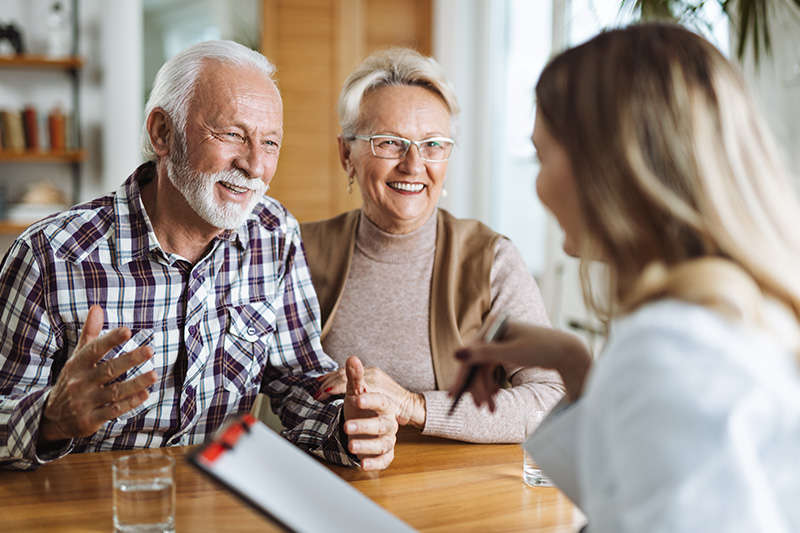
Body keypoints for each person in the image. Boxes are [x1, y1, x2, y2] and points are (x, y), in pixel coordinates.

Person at [453, 23, 800, 531]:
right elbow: (632, 495)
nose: (539, 186)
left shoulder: (673, 349)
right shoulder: (733, 317)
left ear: (609, 165)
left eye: (542, 156)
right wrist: (575, 368)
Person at [0, 40, 398, 471]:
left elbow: (299, 382)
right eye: (231, 134)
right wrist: (49, 420)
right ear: (162, 133)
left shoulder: (273, 233)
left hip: (220, 499)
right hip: (90, 508)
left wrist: (348, 426)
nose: (253, 165)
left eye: (269, 143)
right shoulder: (49, 257)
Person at [304, 47, 564, 443]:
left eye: (433, 145)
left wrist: (414, 406)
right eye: (390, 142)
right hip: (335, 483)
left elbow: (552, 400)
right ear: (346, 154)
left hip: (453, 495)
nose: (413, 164)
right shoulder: (296, 252)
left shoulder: (492, 260)